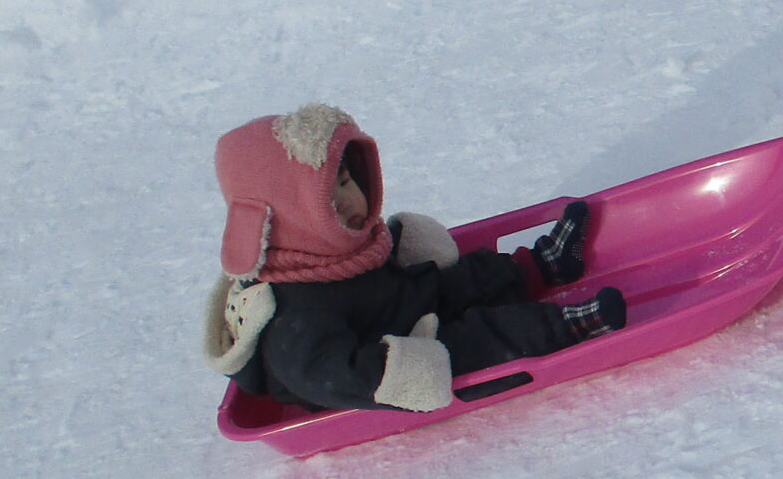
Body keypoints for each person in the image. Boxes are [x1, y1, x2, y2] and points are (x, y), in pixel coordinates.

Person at [201, 102, 624, 413]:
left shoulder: (335, 250)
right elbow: (332, 377)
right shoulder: (294, 320)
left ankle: (540, 265)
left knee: (452, 282)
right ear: (288, 220)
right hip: (394, 355)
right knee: (476, 339)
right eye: (323, 200)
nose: (348, 201)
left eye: (346, 182)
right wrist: (397, 371)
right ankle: (565, 326)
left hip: (395, 306)